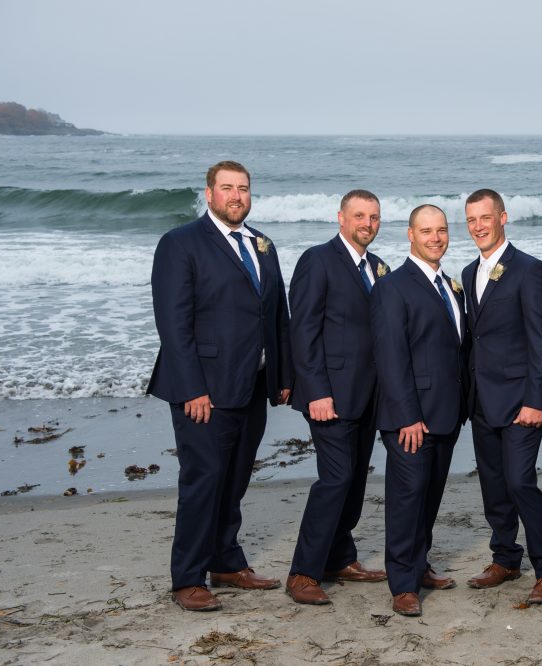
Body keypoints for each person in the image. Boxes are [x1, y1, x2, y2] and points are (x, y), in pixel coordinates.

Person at [148, 161, 292, 611]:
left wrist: (283, 375)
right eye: (227, 188)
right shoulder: (180, 243)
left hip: (251, 384)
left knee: (234, 480)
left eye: (244, 189)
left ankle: (226, 562)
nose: (236, 196)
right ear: (209, 194)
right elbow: (173, 324)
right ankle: (188, 578)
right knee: (203, 482)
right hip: (203, 390)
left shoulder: (262, 246)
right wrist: (192, 388)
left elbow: (276, 315)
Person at [284, 190, 390, 605]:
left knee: (355, 478)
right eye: (360, 215)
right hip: (329, 396)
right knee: (336, 478)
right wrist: (317, 391)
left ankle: (340, 557)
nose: (368, 223)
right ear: (341, 218)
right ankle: (303, 573)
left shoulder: (378, 267)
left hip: (368, 395)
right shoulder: (318, 260)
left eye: (375, 217)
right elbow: (303, 331)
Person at [460, 189, 542, 605]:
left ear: (504, 218)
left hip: (522, 399)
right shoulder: (469, 272)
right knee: (493, 485)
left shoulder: (530, 271)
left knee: (521, 481)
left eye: (486, 217)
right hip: (482, 400)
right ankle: (505, 558)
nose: (479, 226)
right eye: (471, 220)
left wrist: (537, 400)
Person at [370, 204, 469, 617]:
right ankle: (403, 584)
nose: (435, 237)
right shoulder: (392, 287)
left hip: (445, 412)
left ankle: (419, 563)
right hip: (409, 418)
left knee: (429, 497)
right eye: (426, 231)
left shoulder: (449, 283)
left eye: (441, 230)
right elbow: (391, 358)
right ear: (410, 235)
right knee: (406, 499)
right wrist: (408, 415)